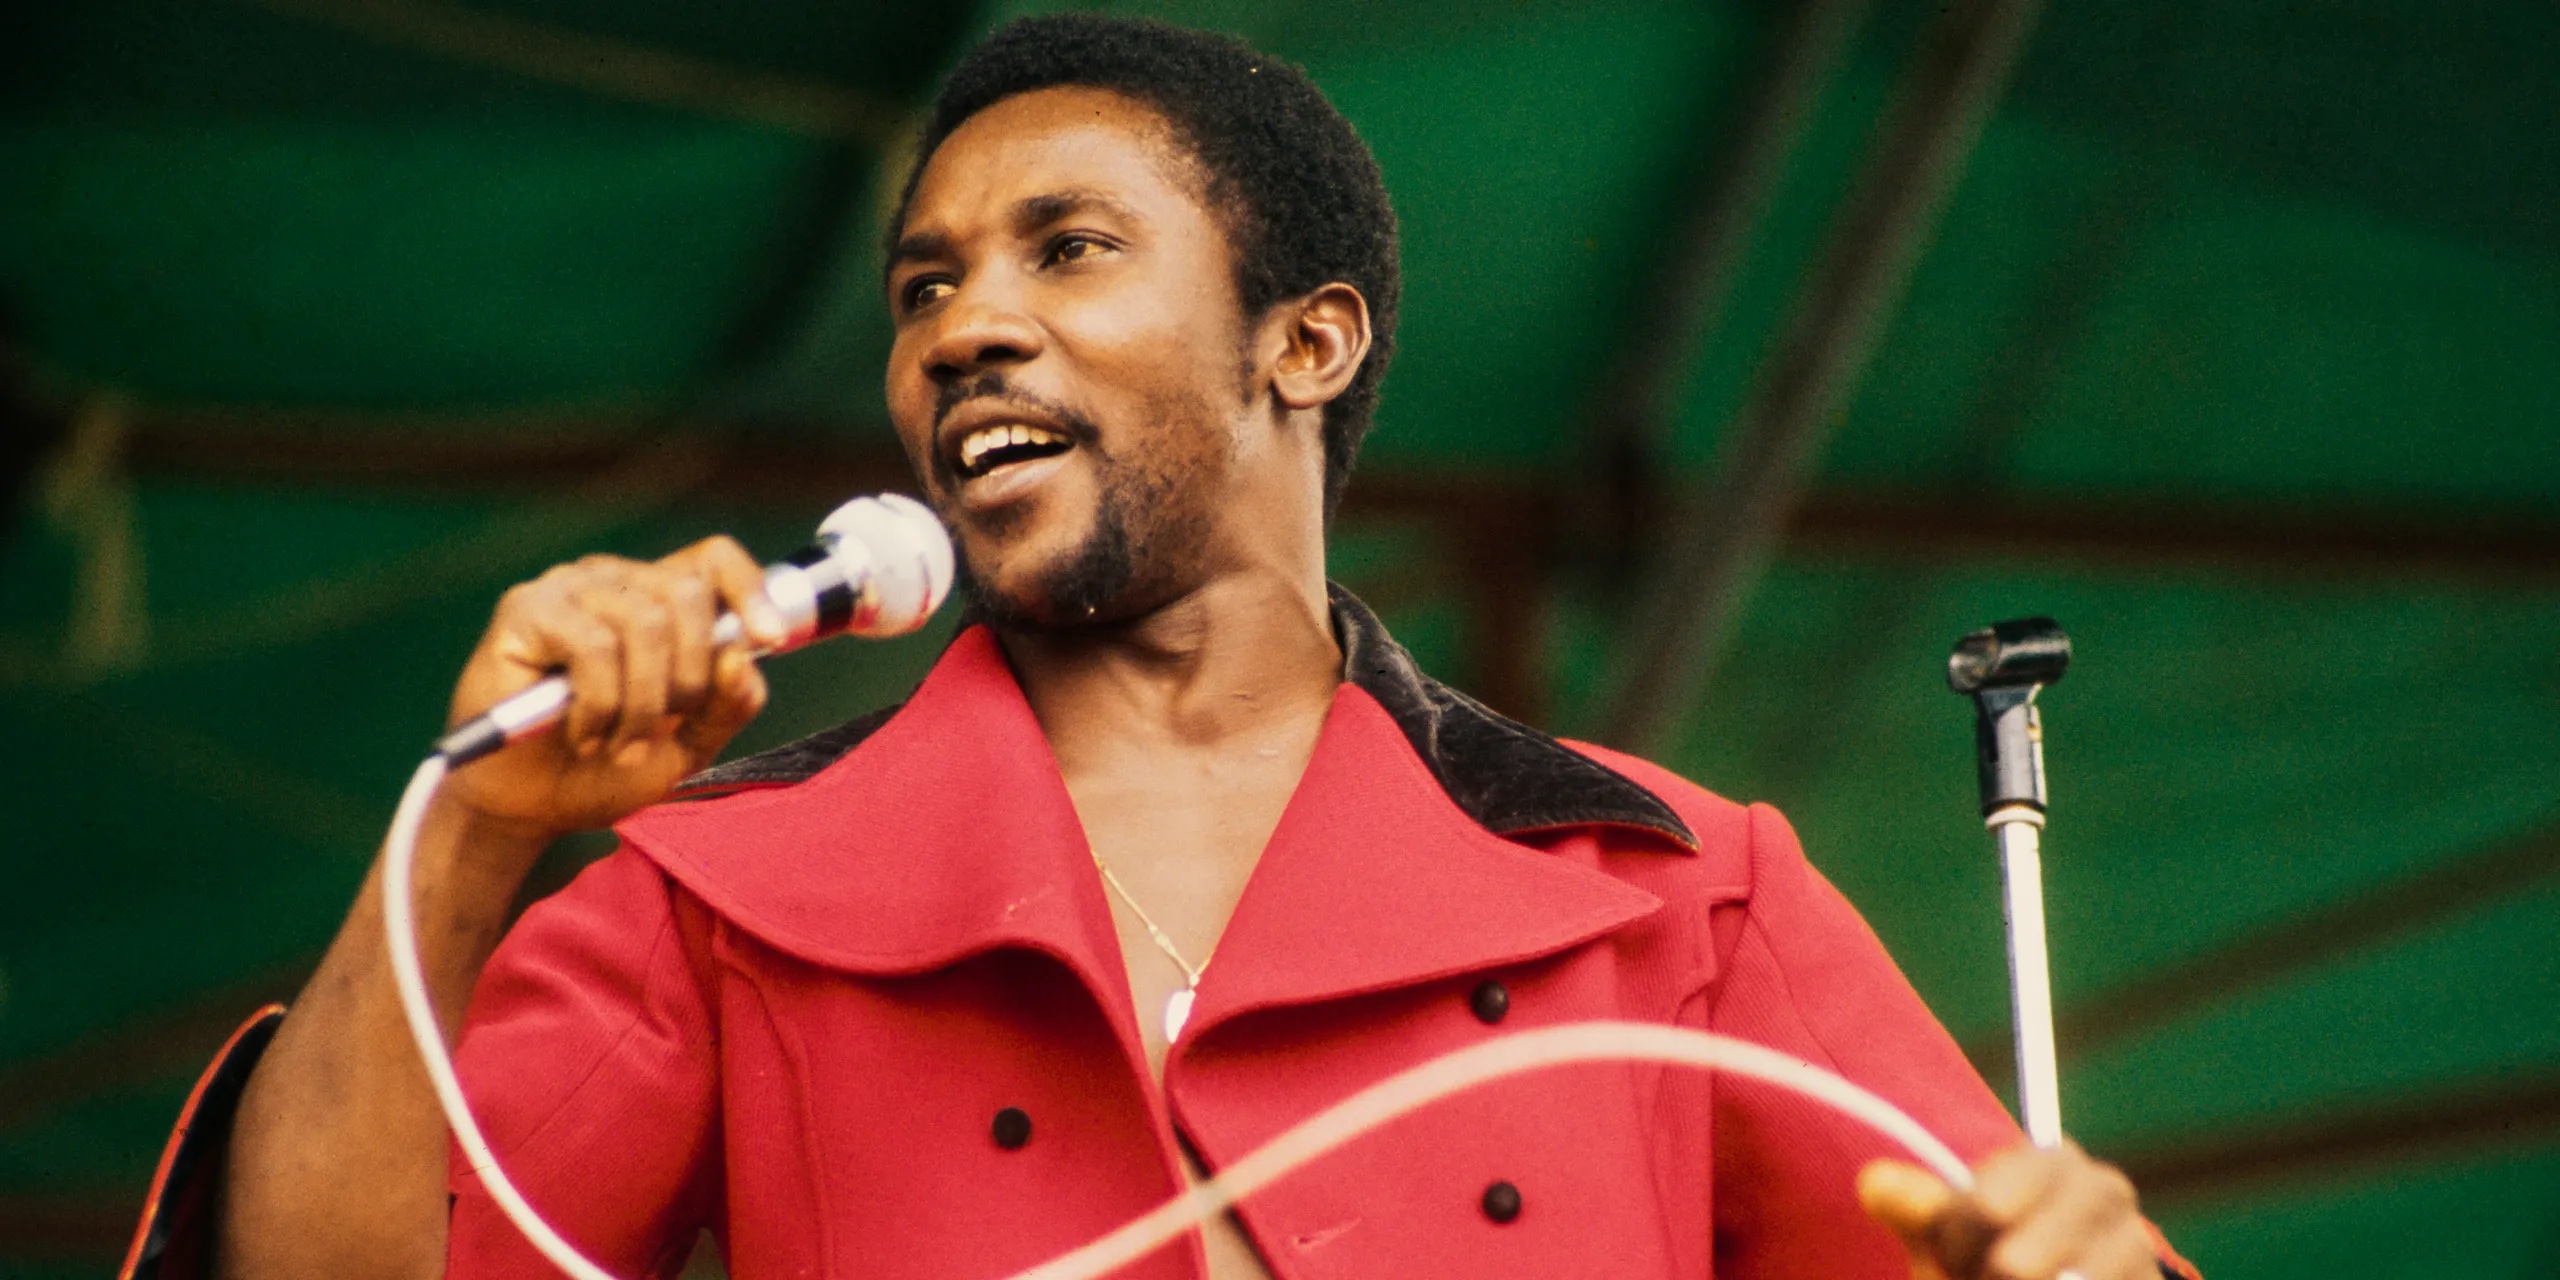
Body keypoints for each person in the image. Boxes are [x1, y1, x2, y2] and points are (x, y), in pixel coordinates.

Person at [126, 15, 2194, 1280]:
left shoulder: (1671, 887)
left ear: (1307, 342)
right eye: (922, 287)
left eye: (1068, 248)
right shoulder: (723, 896)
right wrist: (477, 836)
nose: (965, 326)